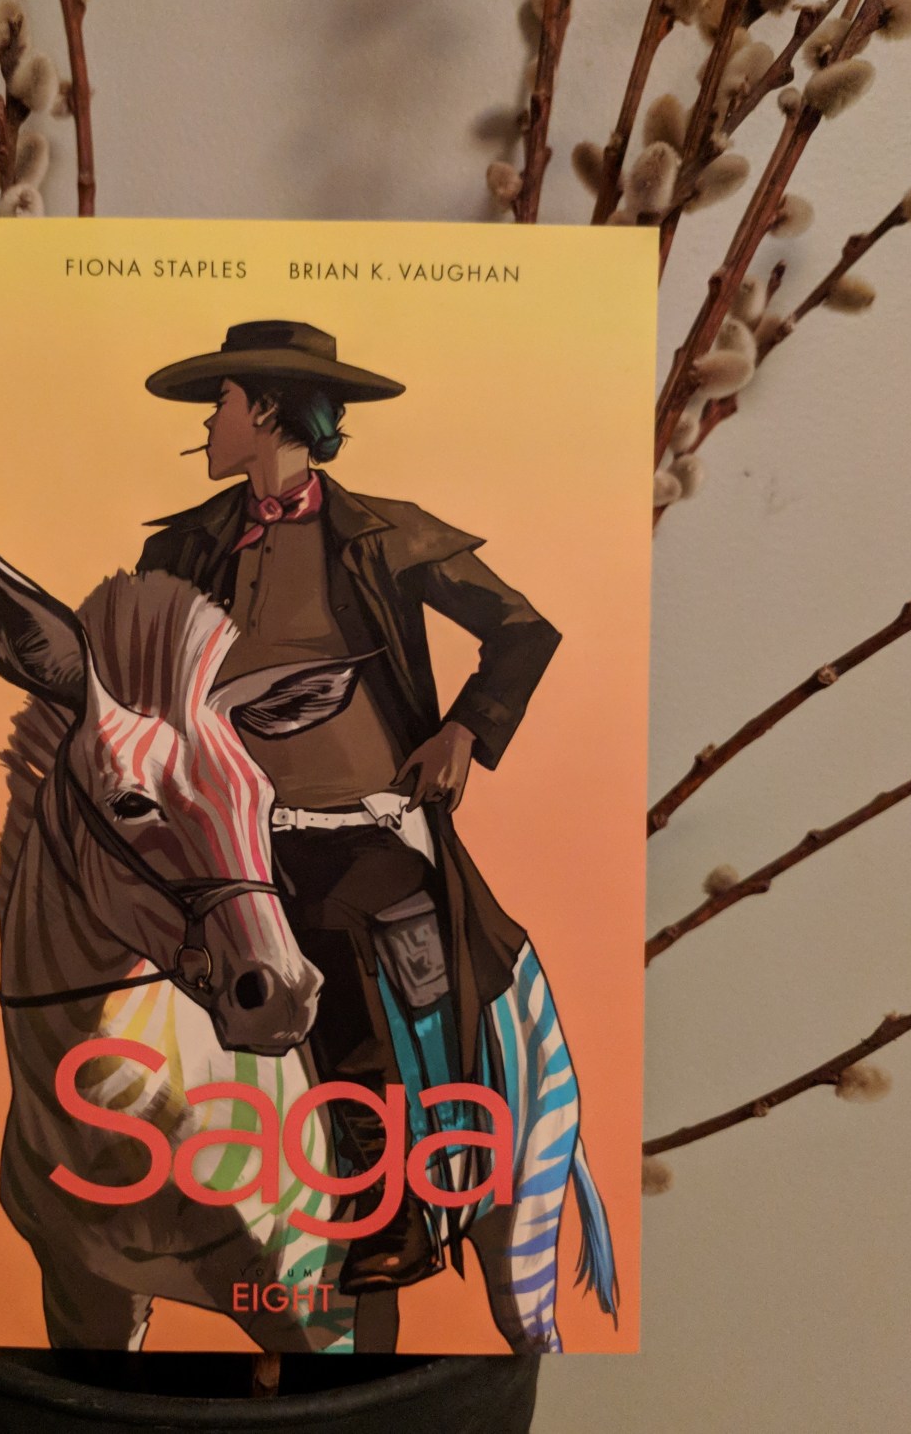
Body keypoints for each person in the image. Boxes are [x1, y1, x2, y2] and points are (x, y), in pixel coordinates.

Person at [136, 320, 561, 1293]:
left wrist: (465, 731)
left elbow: (523, 631)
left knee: (334, 945)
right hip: (220, 839)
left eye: (220, 403)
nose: (207, 423)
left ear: (267, 411)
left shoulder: (389, 534)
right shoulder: (182, 547)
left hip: (361, 833)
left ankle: (386, 1209)